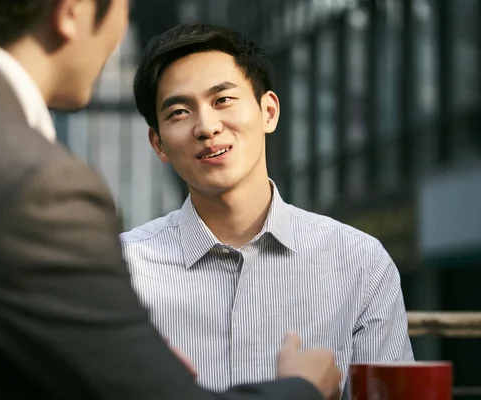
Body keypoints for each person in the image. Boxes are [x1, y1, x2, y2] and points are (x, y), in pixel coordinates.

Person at [0, 1, 342, 399]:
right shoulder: (34, 183)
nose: (121, 30)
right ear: (72, 12)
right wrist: (301, 388)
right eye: (124, 7)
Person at [121, 22, 414, 394]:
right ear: (158, 144)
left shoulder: (359, 263)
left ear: (268, 112)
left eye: (223, 100)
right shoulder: (122, 271)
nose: (206, 126)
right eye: (179, 112)